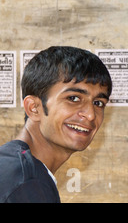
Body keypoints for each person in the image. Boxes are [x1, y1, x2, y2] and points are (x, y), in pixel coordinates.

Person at [0, 46, 112, 203]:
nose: (91, 114)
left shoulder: (13, 165)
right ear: (34, 108)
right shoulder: (26, 184)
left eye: (98, 103)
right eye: (73, 98)